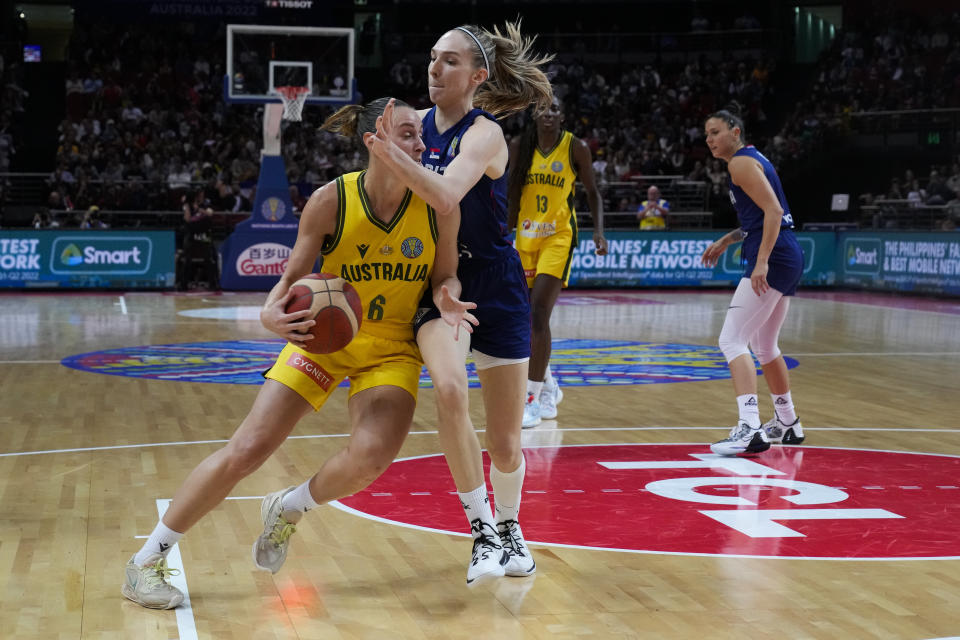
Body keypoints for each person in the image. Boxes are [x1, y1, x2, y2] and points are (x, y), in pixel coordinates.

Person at [122, 97, 474, 609]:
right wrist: (270, 313)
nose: (422, 144)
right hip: (323, 341)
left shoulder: (440, 205)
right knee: (247, 450)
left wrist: (445, 295)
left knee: (372, 457)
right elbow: (289, 279)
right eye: (408, 134)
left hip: (391, 348)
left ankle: (289, 506)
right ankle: (145, 561)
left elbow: (446, 275)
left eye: (421, 135)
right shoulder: (332, 201)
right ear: (373, 139)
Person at [365, 21, 553, 584]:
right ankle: (481, 531)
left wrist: (384, 151)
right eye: (430, 58)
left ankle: (512, 525)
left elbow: (446, 193)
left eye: (448, 61)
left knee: (505, 441)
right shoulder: (414, 128)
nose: (433, 69)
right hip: (442, 282)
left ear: (476, 76)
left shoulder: (486, 134)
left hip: (496, 286)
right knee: (448, 389)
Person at [700, 103, 806, 456]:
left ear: (735, 132)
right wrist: (726, 241)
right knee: (764, 347)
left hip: (773, 256)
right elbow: (759, 218)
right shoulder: (753, 159)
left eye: (715, 132)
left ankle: (749, 427)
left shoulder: (740, 163)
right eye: (706, 135)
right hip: (787, 254)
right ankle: (788, 422)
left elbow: (774, 212)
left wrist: (761, 262)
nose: (709, 140)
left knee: (731, 341)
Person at [506, 95, 607, 427]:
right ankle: (548, 384)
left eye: (554, 109)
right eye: (542, 108)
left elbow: (592, 192)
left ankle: (531, 399)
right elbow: (511, 191)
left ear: (563, 116)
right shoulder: (519, 145)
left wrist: (598, 232)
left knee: (538, 314)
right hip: (525, 236)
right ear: (533, 114)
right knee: (524, 319)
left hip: (558, 237)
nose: (548, 113)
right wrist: (502, 231)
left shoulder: (575, 147)